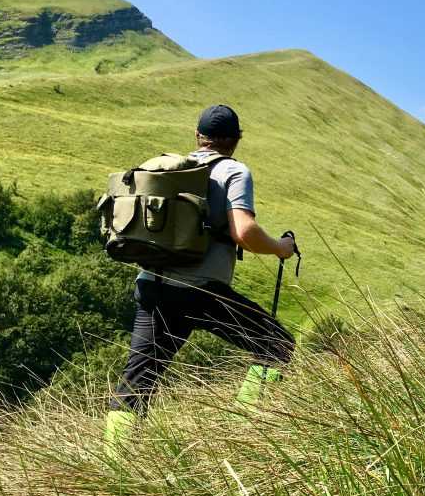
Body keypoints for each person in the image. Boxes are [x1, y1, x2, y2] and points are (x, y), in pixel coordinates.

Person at [105, 104, 297, 456]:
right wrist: (280, 249)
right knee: (277, 345)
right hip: (199, 291)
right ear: (236, 139)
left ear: (198, 136)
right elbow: (244, 231)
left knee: (139, 378)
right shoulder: (234, 172)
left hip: (151, 283)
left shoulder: (172, 170)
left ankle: (114, 463)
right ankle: (247, 438)